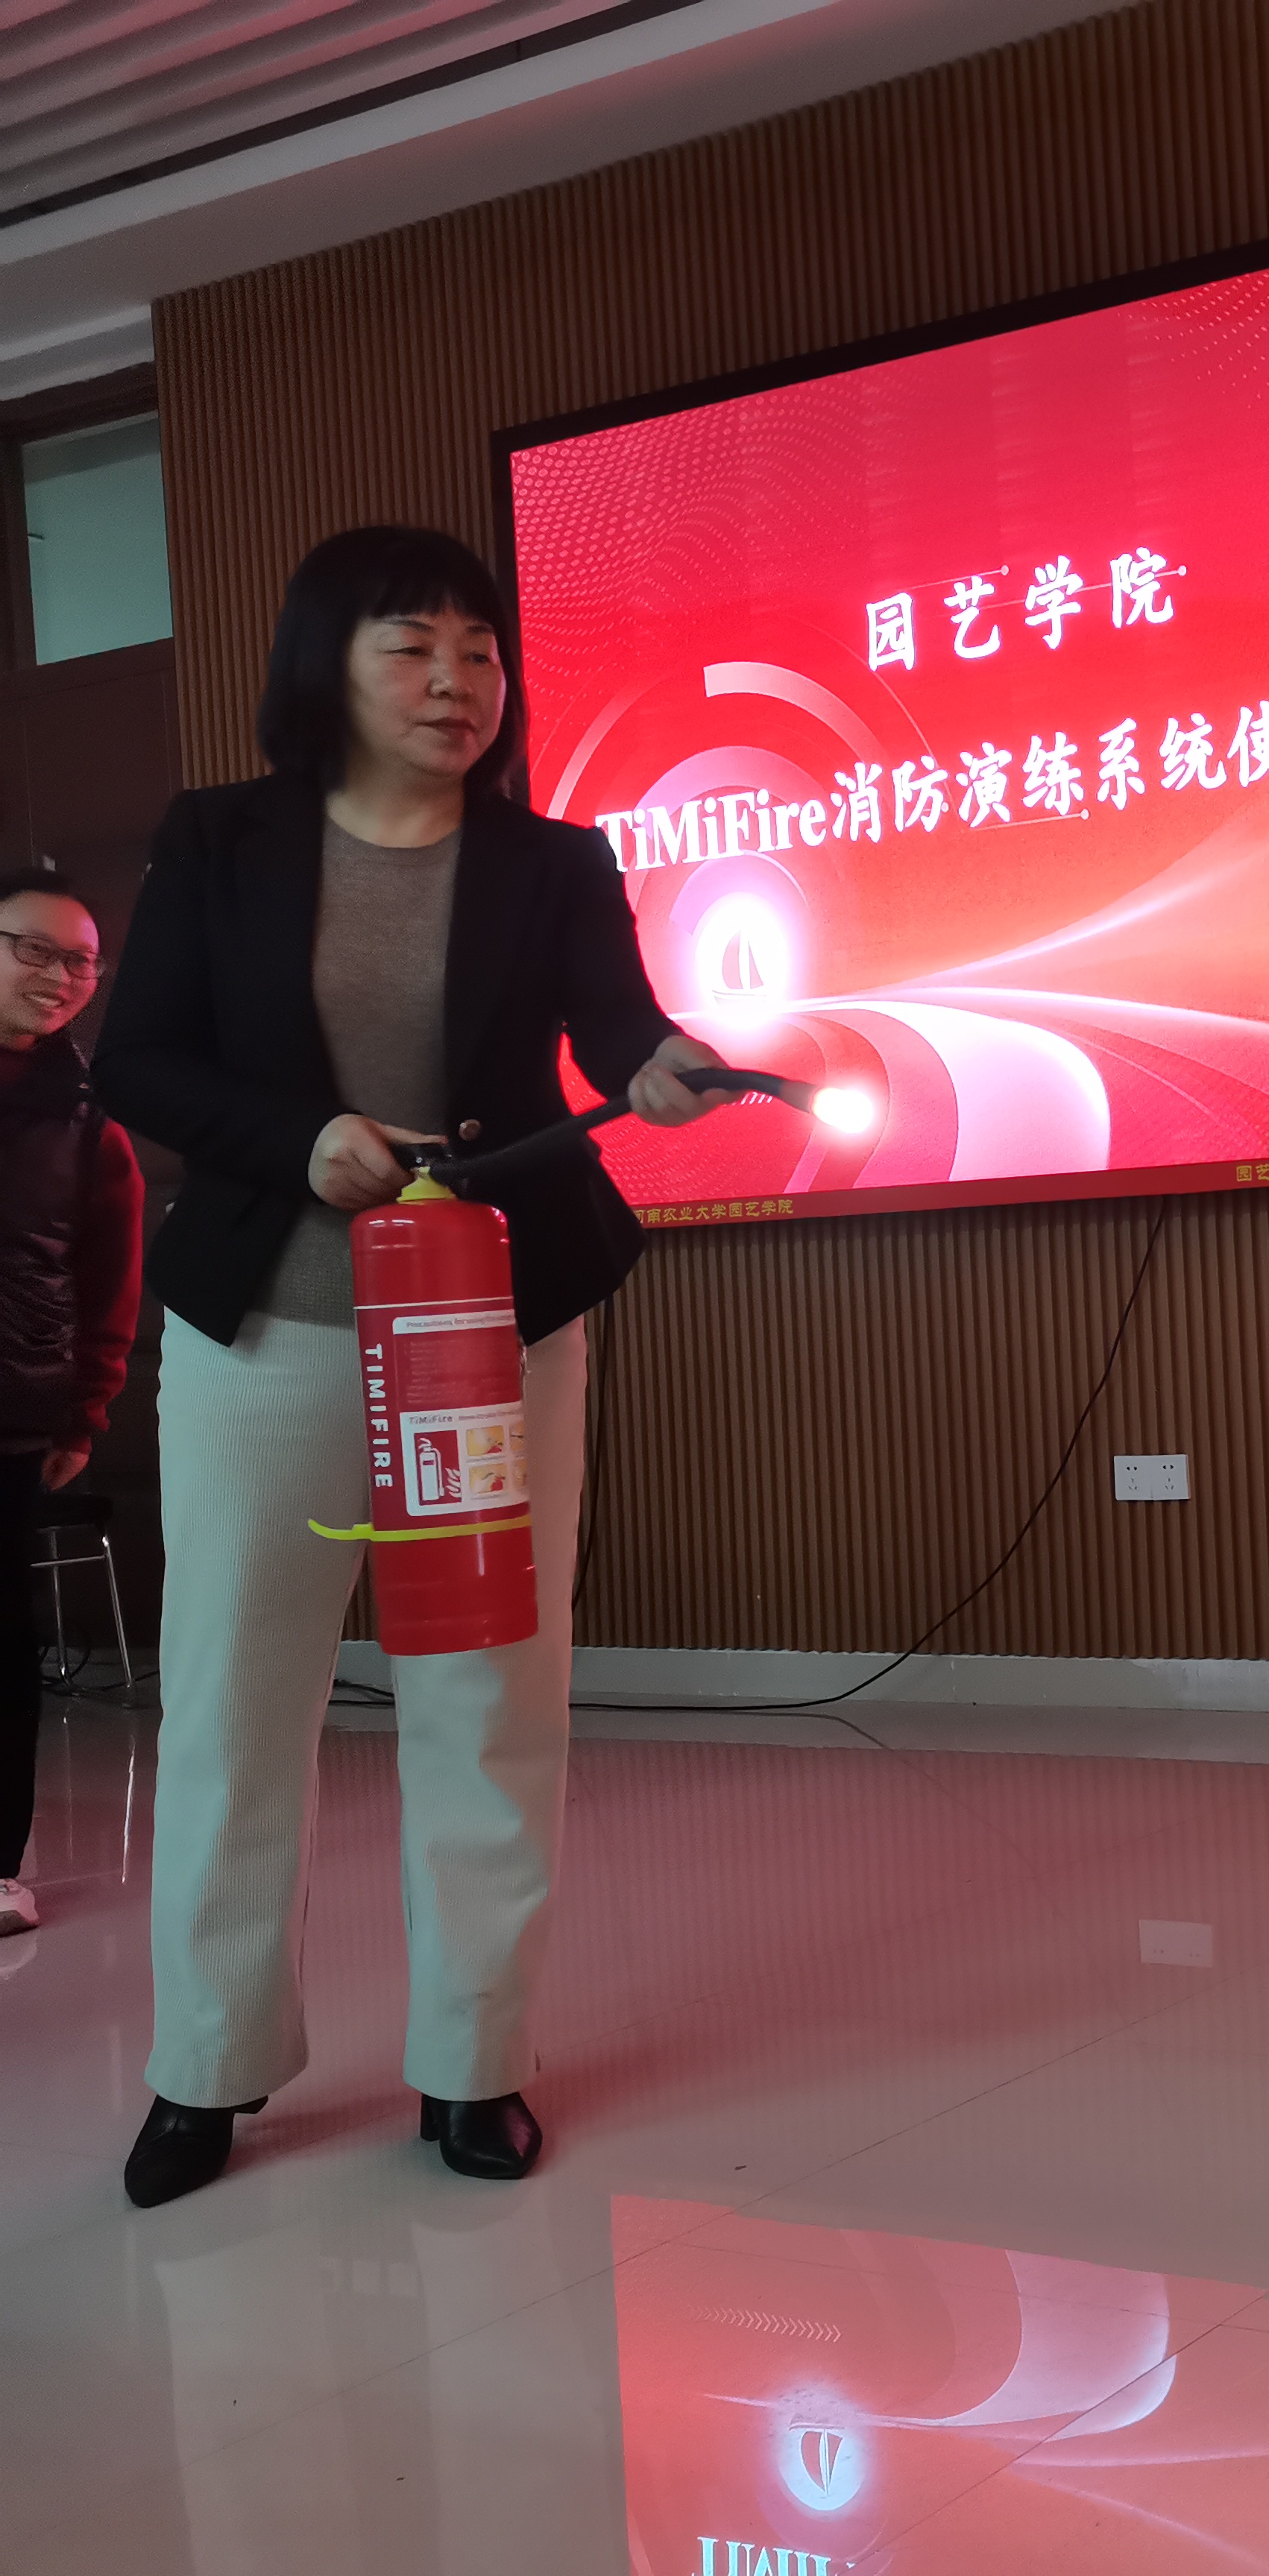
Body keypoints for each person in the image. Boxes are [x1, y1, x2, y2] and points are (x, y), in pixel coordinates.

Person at [93, 525, 724, 2207]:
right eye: (413, 647)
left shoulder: (553, 861)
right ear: (329, 663)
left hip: (489, 1326)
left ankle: (474, 2059)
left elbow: (615, 1026)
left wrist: (665, 1064)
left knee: (490, 1691)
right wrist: (298, 1138)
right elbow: (141, 1060)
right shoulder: (218, 841)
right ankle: (207, 2065)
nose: (457, 682)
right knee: (235, 1698)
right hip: (270, 1325)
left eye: (480, 651)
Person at [0, 866, 145, 1938]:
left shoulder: (91, 1120)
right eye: (32, 949)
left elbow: (109, 1283)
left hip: (12, 1411)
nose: (57, 976)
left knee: (1, 1647)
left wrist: (87, 1412)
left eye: (80, 961)